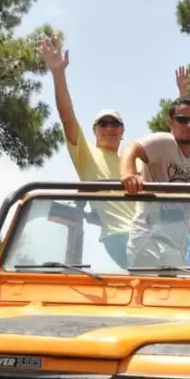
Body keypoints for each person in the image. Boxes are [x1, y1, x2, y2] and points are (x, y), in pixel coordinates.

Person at [38, 35, 135, 267]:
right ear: (95, 130)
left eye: (115, 124)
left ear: (122, 131)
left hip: (147, 232)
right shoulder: (87, 155)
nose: (110, 128)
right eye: (104, 124)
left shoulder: (133, 161)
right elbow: (67, 118)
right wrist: (58, 74)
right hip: (121, 236)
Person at [117, 97, 190, 266]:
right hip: (149, 240)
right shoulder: (164, 142)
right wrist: (129, 174)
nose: (189, 126)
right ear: (170, 121)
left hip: (176, 243)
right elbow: (131, 148)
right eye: (182, 120)